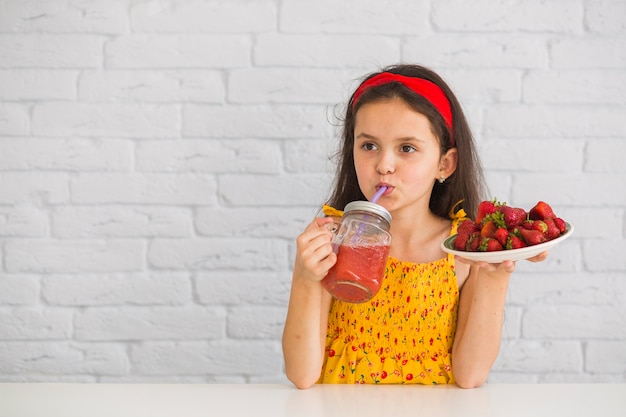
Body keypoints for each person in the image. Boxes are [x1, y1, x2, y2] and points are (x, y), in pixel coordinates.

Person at [282, 64, 547, 389]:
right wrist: (306, 277)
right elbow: (302, 374)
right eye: (369, 145)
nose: (384, 165)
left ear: (444, 164)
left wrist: (495, 275)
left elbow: (470, 375)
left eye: (407, 148)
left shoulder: (461, 250)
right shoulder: (336, 237)